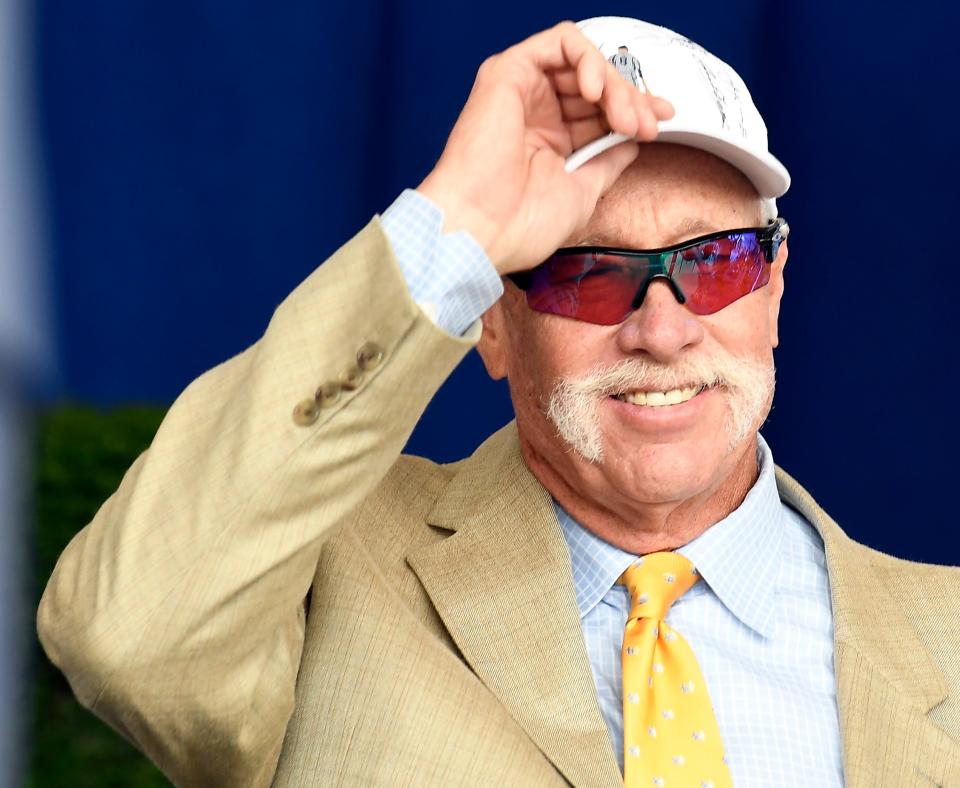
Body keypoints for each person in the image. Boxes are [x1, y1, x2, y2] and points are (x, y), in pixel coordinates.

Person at [37, 15, 960, 788]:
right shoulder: (324, 574)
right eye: (589, 274)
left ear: (776, 287)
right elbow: (129, 640)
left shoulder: (943, 637)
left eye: (715, 261)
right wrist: (458, 225)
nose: (662, 328)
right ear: (491, 322)